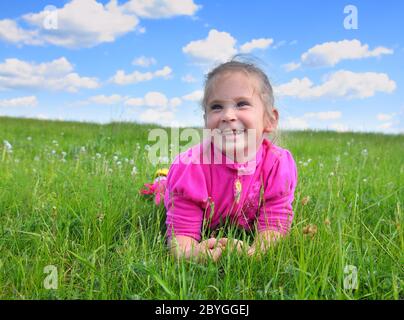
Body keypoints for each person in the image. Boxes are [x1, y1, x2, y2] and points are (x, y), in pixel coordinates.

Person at [164, 57, 298, 262]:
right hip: (185, 191)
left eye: (242, 104)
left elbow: (275, 221)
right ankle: (162, 183)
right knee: (164, 191)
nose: (227, 115)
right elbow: (181, 230)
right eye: (216, 107)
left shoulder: (277, 164)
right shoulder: (191, 168)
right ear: (205, 120)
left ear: (269, 120)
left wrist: (256, 252)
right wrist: (190, 253)